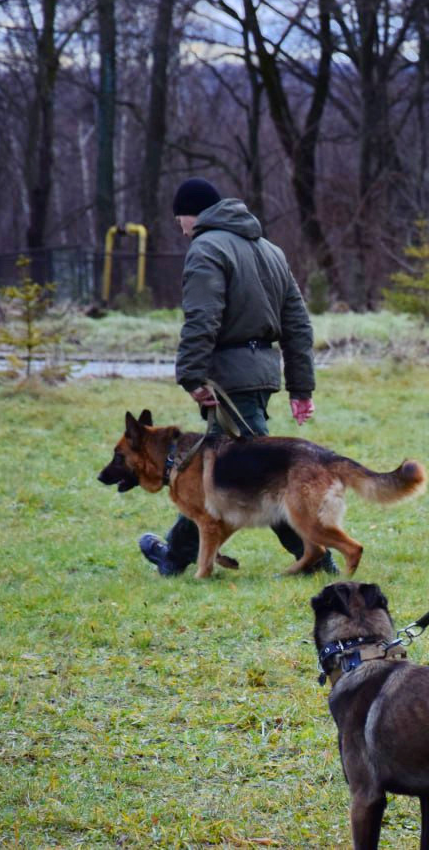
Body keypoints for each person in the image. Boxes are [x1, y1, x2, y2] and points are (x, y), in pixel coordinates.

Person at [137, 177, 334, 576]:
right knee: (236, 475)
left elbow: (202, 317)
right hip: (261, 374)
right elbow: (297, 323)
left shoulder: (205, 248)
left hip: (229, 380)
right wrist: (300, 386)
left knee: (263, 475)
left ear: (192, 214)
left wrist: (192, 374)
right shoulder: (271, 250)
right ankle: (176, 556)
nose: (180, 227)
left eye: (180, 218)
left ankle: (319, 560)